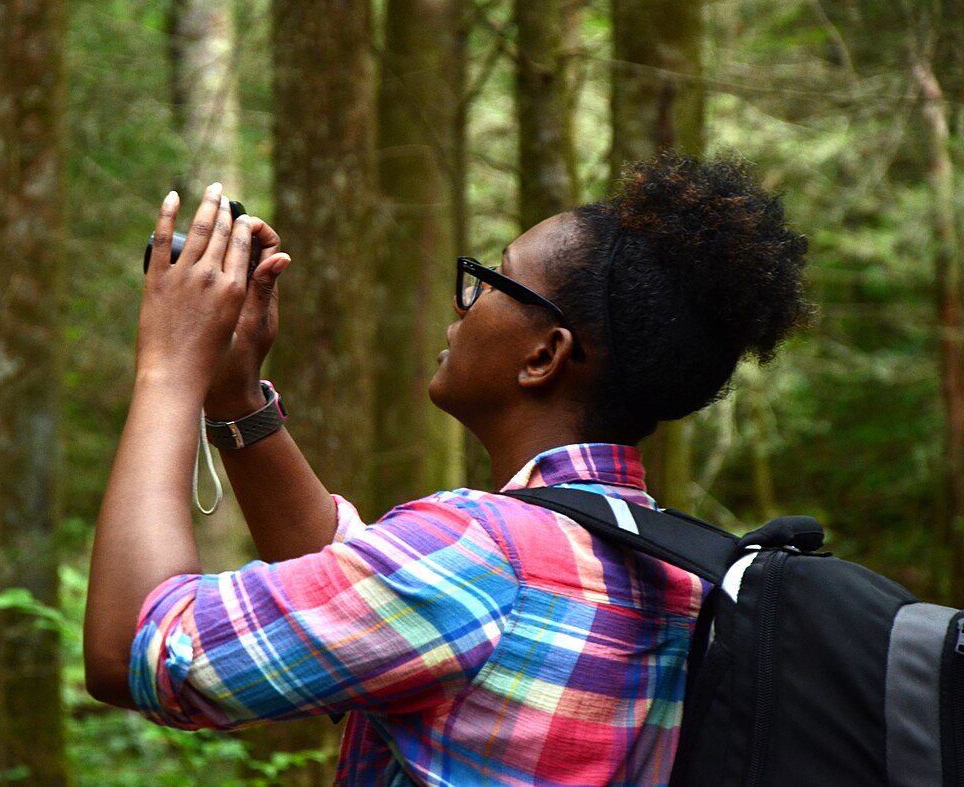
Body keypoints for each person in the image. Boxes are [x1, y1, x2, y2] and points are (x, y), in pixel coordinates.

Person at [84, 153, 810, 786]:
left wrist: (169, 367)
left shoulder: (481, 555)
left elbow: (131, 648)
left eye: (492, 280)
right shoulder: (674, 573)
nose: (462, 303)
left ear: (543, 355)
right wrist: (237, 397)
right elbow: (357, 592)